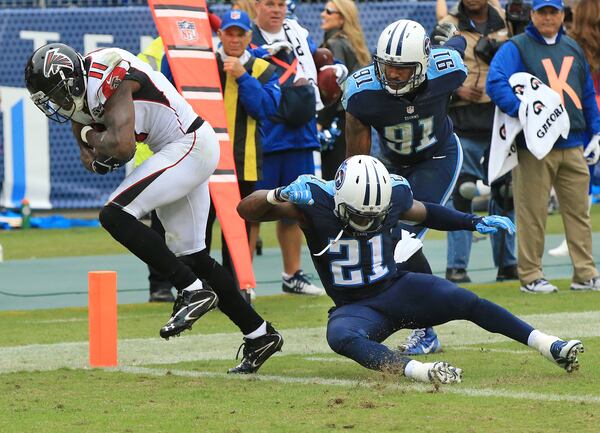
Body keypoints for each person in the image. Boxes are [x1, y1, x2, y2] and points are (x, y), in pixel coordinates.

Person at [24, 43, 283, 374]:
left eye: (58, 94)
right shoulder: (82, 92)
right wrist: (91, 142)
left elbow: (123, 147)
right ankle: (260, 334)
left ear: (73, 79)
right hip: (179, 148)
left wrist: (95, 140)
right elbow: (87, 143)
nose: (59, 105)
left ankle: (191, 290)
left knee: (114, 214)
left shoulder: (109, 72)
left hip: (188, 145)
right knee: (194, 257)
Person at [237, 155, 585, 384]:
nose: (366, 222)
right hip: (355, 308)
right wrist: (276, 194)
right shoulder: (313, 199)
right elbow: (245, 210)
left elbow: (427, 212)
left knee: (466, 300)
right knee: (339, 336)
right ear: (339, 199)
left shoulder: (392, 195)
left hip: (397, 288)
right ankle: (422, 371)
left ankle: (549, 345)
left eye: (374, 216)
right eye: (359, 215)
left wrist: (472, 221)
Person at [343, 19, 467, 355]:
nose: (394, 75)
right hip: (392, 165)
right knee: (377, 236)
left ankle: (425, 330)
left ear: (423, 64)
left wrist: (454, 36)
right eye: (388, 67)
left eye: (403, 68)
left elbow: (456, 46)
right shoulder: (362, 93)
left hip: (438, 156)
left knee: (403, 239)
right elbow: (355, 154)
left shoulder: (448, 70)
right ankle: (386, 314)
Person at [486, 0, 600, 293]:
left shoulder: (572, 46)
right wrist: (520, 110)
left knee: (579, 213)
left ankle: (585, 273)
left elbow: (586, 91)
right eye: (542, 12)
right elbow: (495, 81)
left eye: (553, 12)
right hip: (534, 145)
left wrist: (596, 132)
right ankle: (531, 275)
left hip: (573, 142)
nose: (548, 17)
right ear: (532, 14)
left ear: (562, 15)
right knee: (532, 212)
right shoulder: (517, 46)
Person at [250, 0, 346, 295]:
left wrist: (331, 72)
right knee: (253, 210)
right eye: (270, 4)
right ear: (257, 6)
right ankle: (244, 279)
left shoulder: (298, 33)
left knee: (297, 208)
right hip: (266, 133)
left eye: (280, 3)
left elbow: (317, 67)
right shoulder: (249, 36)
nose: (276, 9)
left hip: (302, 132)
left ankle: (293, 274)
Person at [436, 0, 518, 284]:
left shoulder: (509, 20)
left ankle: (508, 264)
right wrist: (457, 89)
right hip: (462, 121)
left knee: (505, 193)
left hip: (500, 122)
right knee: (462, 194)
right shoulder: (448, 23)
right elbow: (431, 66)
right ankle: (456, 267)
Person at [204, 10, 281, 291]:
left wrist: (242, 77)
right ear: (220, 34)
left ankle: (235, 289)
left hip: (242, 162)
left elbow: (265, 109)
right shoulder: (204, 64)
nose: (234, 39)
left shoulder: (263, 68)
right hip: (204, 162)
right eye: (229, 32)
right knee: (200, 229)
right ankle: (201, 288)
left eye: (240, 33)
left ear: (249, 36)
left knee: (237, 230)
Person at [548, 0, 600, 257]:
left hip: (587, 110)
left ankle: (574, 239)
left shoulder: (575, 42)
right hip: (590, 108)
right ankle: (574, 240)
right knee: (583, 176)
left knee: (581, 177)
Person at [317, 0, 370, 180]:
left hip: (335, 124)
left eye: (329, 11)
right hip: (354, 121)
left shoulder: (335, 44)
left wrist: (321, 122)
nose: (322, 14)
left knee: (333, 180)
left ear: (342, 19)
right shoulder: (351, 43)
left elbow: (334, 87)